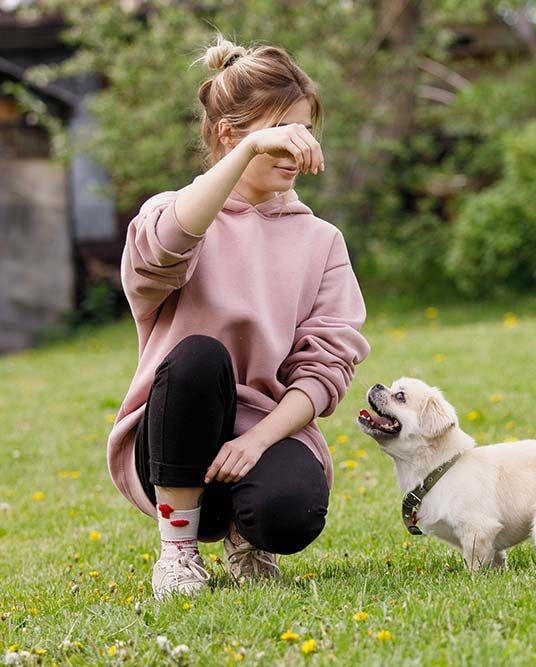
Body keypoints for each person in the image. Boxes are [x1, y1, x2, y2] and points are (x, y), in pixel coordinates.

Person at [105, 36, 370, 599]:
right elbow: (161, 253)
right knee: (200, 354)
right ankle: (178, 553)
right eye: (281, 135)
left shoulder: (321, 241)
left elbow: (325, 368)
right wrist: (248, 154)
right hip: (174, 437)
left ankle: (249, 540)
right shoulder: (172, 214)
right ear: (230, 135)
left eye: (304, 133)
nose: (296, 151)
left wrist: (258, 442)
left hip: (266, 433)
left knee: (290, 515)